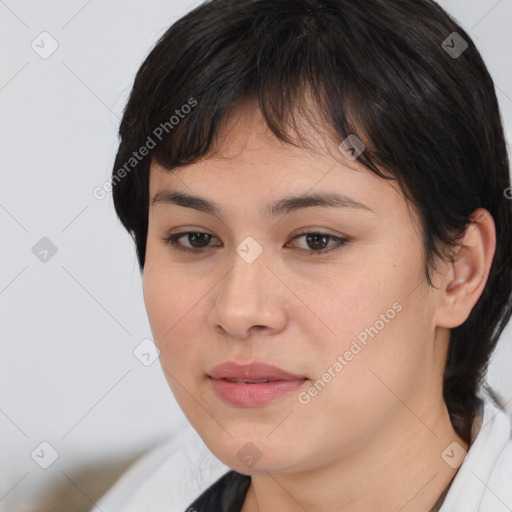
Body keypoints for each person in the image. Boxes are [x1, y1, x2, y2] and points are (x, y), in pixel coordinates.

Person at [93, 0, 512, 510]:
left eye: (316, 240)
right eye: (196, 238)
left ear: (459, 272)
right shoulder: (138, 498)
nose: (238, 311)